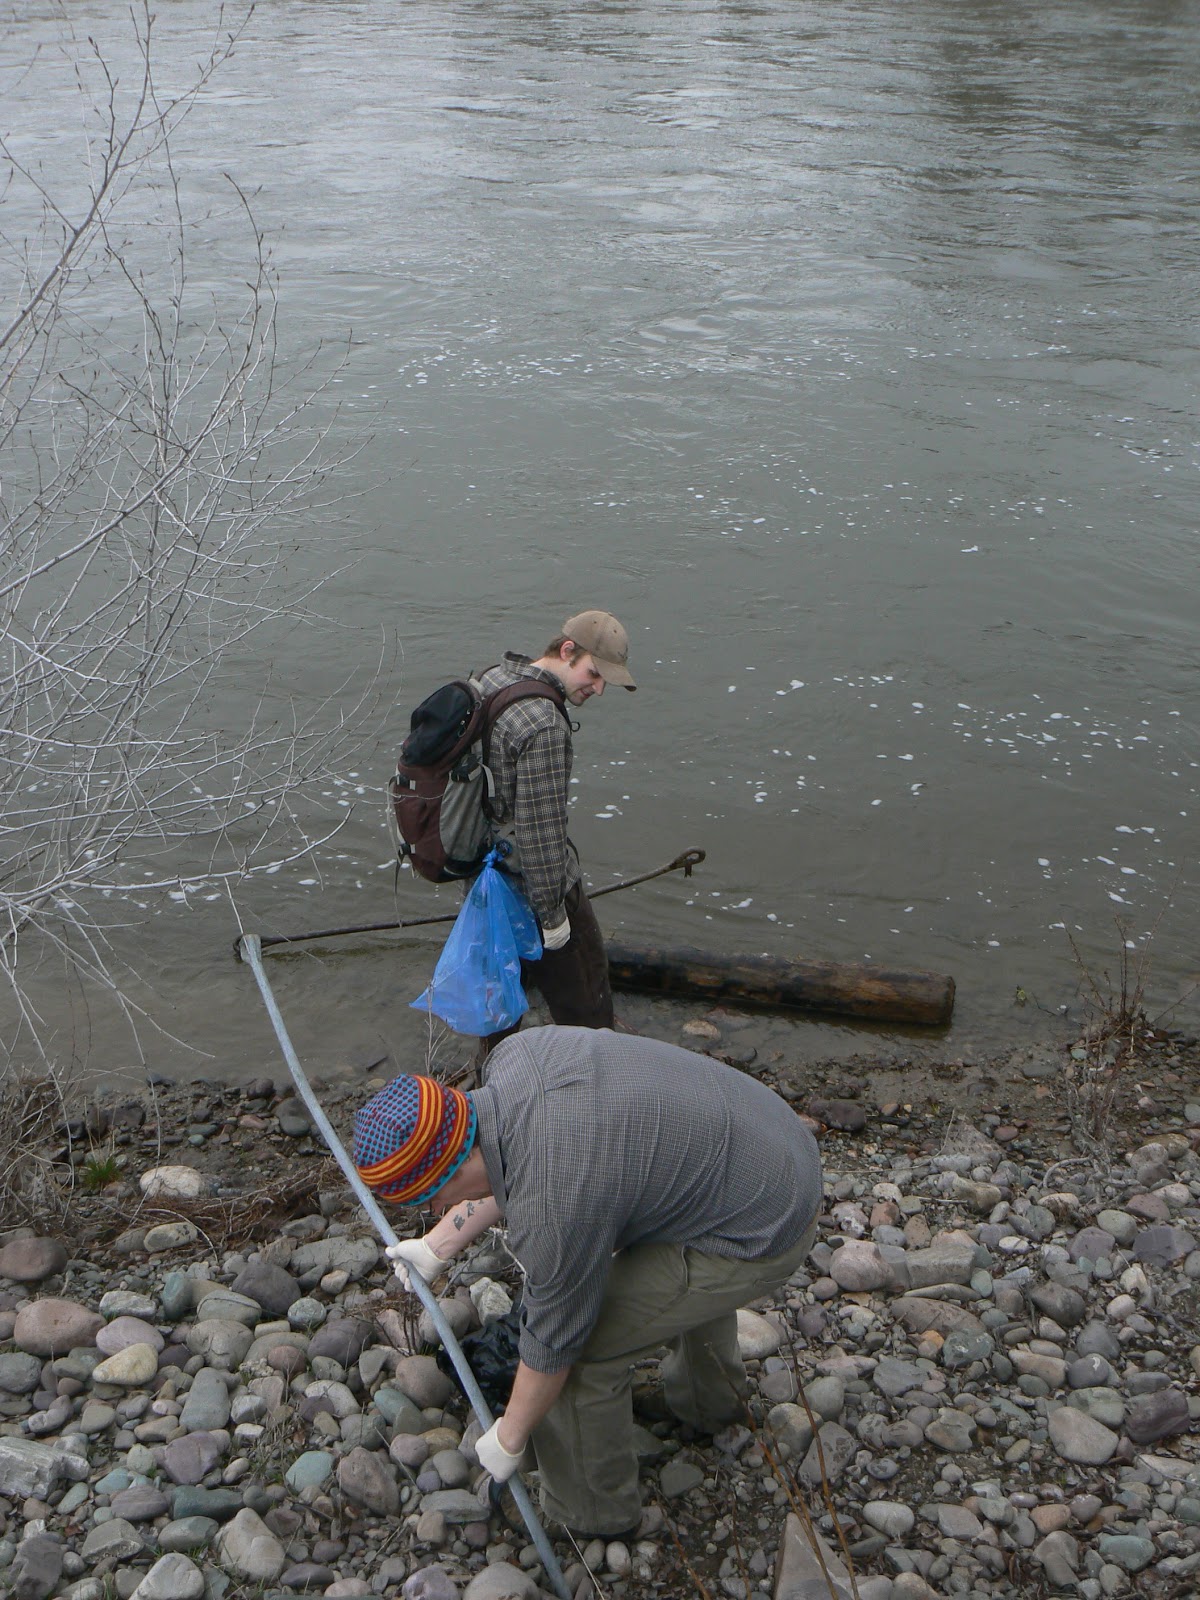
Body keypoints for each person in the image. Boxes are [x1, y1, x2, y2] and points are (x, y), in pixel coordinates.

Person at [352, 1026, 823, 1539]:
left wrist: (510, 1437)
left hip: (762, 1227)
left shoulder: (553, 1209)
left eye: (430, 1199)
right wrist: (438, 1245)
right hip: (768, 1148)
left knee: (581, 1359)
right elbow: (508, 1161)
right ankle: (709, 1406)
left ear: (451, 1164)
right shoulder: (517, 1059)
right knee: (660, 1278)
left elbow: (555, 1345)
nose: (436, 1208)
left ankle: (592, 1513)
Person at [474, 610, 635, 1052]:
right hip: (534, 886)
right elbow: (541, 836)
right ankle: (593, 1083)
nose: (598, 689)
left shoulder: (492, 678)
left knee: (499, 1006)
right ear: (567, 651)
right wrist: (554, 922)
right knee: (588, 1010)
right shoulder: (544, 723)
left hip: (484, 879)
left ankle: (495, 1084)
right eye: (594, 674)